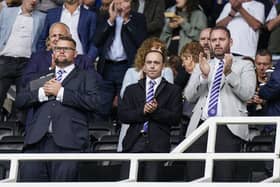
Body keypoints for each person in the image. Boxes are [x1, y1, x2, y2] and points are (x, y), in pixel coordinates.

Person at [16, 36, 100, 182]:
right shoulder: (41, 77)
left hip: (69, 143)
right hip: (36, 143)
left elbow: (95, 102)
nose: (61, 51)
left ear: (75, 54)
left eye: (66, 49)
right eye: (57, 48)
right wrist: (42, 93)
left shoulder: (87, 76)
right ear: (53, 53)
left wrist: (61, 93)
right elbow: (20, 101)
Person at [184, 26, 256, 181]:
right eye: (213, 40)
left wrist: (229, 72)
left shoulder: (244, 64)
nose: (217, 43)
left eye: (221, 39)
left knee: (225, 178)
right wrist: (203, 76)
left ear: (230, 42)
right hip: (200, 127)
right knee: (195, 178)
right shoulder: (201, 64)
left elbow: (248, 94)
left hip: (228, 128)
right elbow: (189, 96)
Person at [118, 49, 182, 181]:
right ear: (144, 65)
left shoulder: (173, 90)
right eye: (149, 62)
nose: (152, 66)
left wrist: (156, 111)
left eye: (156, 63)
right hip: (133, 143)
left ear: (163, 66)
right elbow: (123, 116)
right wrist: (143, 111)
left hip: (157, 145)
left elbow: (175, 118)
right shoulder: (132, 89)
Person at [117, 37, 174, 152]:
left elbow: (167, 94)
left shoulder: (166, 71)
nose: (157, 53)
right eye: (155, 50)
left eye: (160, 51)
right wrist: (142, 78)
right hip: (133, 127)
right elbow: (124, 95)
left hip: (156, 130)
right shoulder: (131, 72)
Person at [94, 0, 147, 117]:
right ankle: (99, 133)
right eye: (118, 1)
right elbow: (96, 40)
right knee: (101, 106)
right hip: (106, 67)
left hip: (127, 67)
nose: (121, 4)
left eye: (124, 1)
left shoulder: (138, 18)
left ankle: (121, 133)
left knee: (125, 104)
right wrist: (111, 20)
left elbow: (142, 43)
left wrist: (126, 20)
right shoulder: (103, 16)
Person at [0, 0, 46, 120]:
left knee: (23, 100)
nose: (34, 1)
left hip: (27, 62)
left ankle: (17, 131)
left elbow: (41, 41)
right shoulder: (6, 12)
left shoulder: (42, 17)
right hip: (5, 60)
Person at [247, 49, 272, 117]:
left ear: (271, 64)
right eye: (258, 64)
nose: (261, 68)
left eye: (265, 64)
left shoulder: (276, 80)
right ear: (254, 63)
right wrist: (246, 100)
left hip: (270, 121)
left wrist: (264, 101)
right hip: (249, 120)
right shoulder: (247, 78)